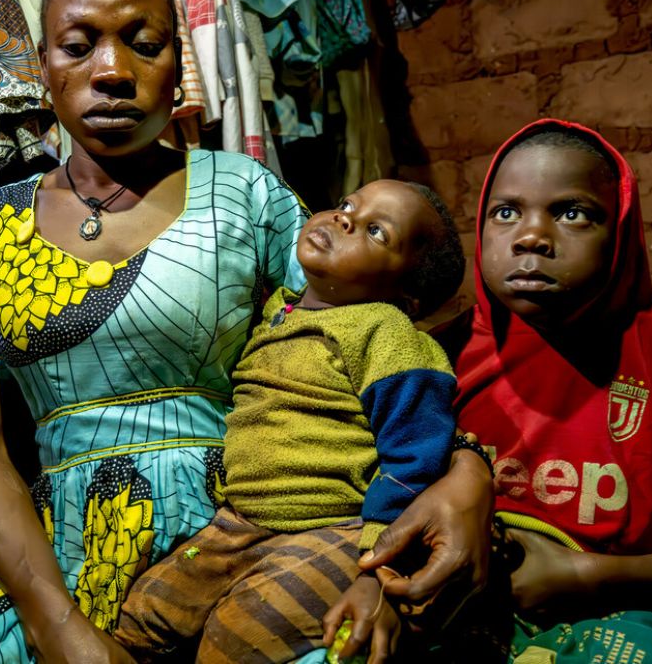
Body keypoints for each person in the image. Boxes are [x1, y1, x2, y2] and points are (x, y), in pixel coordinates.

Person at [0, 0, 491, 664]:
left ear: (178, 63)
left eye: (143, 45)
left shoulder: (245, 194)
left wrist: (468, 475)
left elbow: (369, 345)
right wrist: (56, 626)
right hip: (60, 555)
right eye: (78, 46)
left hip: (254, 524)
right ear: (42, 66)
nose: (112, 73)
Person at [416, 119, 652, 659]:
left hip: (614, 611)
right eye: (506, 212)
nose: (530, 236)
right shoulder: (431, 362)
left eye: (572, 213)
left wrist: (587, 575)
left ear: (620, 232)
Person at [114, 178, 467, 663]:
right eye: (347, 204)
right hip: (237, 524)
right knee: (141, 616)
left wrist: (376, 561)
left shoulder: (386, 333)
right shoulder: (278, 310)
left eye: (376, 232)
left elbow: (415, 452)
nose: (343, 219)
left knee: (234, 639)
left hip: (332, 528)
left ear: (406, 296)